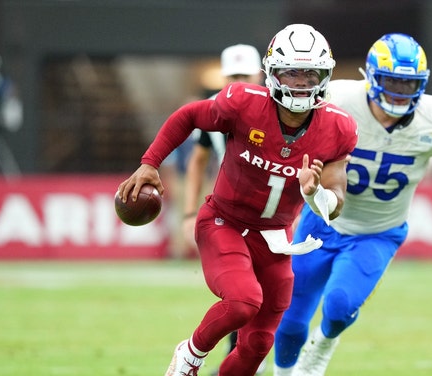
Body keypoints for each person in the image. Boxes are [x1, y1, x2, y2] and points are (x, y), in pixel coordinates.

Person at [116, 24, 358, 376]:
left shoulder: (339, 128)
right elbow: (188, 116)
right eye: (291, 72)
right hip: (224, 223)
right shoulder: (243, 102)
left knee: (259, 344)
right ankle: (189, 357)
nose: (301, 82)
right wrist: (150, 163)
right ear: (273, 74)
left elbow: (336, 204)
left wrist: (314, 192)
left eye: (310, 73)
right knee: (244, 301)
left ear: (325, 76)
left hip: (275, 240)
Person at [272, 33, 432, 375]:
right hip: (321, 222)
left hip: (377, 233)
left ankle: (324, 346)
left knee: (340, 306)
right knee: (290, 319)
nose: (401, 93)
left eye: (409, 84)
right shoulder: (339, 100)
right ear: (372, 77)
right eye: (392, 82)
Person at [181, 44, 265, 375]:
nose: (239, 82)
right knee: (242, 293)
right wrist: (189, 212)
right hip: (231, 214)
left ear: (260, 75)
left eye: (245, 76)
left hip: (274, 217)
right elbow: (198, 159)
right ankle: (236, 359)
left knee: (270, 295)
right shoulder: (216, 110)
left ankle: (244, 359)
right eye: (233, 76)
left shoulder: (279, 109)